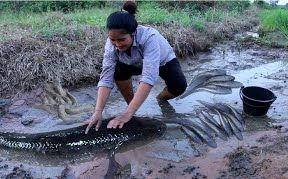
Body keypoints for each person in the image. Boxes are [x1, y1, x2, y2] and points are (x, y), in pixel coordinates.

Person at [85, 1, 187, 134]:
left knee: (179, 86)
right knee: (118, 72)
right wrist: (98, 112)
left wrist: (126, 114)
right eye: (113, 40)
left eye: (122, 40)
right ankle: (132, 105)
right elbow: (105, 79)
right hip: (130, 62)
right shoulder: (112, 46)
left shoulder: (149, 38)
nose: (117, 44)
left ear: (133, 33)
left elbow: (149, 77)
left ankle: (159, 98)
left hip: (163, 61)